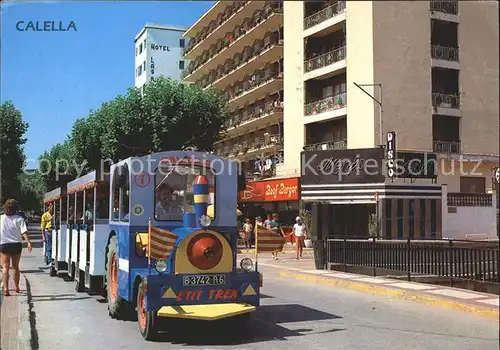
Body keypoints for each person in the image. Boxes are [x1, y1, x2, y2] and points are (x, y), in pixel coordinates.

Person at [0, 199, 33, 296]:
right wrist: (28, 242)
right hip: (16, 245)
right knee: (15, 267)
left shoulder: (1, 218)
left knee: (5, 267)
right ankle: (16, 286)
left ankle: (6, 290)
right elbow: (24, 232)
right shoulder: (19, 219)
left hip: (4, 245)